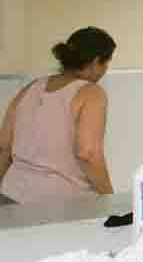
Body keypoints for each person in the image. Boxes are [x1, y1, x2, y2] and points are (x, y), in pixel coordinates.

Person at [0, 27, 116, 203]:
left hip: (11, 194)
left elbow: (4, 147)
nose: (105, 69)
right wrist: (109, 198)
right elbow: (88, 153)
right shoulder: (91, 93)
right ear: (95, 61)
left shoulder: (31, 88)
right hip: (59, 205)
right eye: (105, 63)